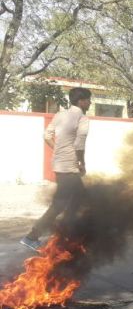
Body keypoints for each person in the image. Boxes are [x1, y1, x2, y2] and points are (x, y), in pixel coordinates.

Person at [22, 87, 91, 250]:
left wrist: (58, 150)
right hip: (70, 167)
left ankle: (67, 232)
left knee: (80, 197)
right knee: (59, 204)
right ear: (81, 101)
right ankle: (32, 236)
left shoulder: (60, 115)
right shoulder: (82, 118)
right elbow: (79, 145)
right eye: (88, 100)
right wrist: (82, 163)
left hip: (59, 163)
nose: (90, 103)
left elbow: (47, 135)